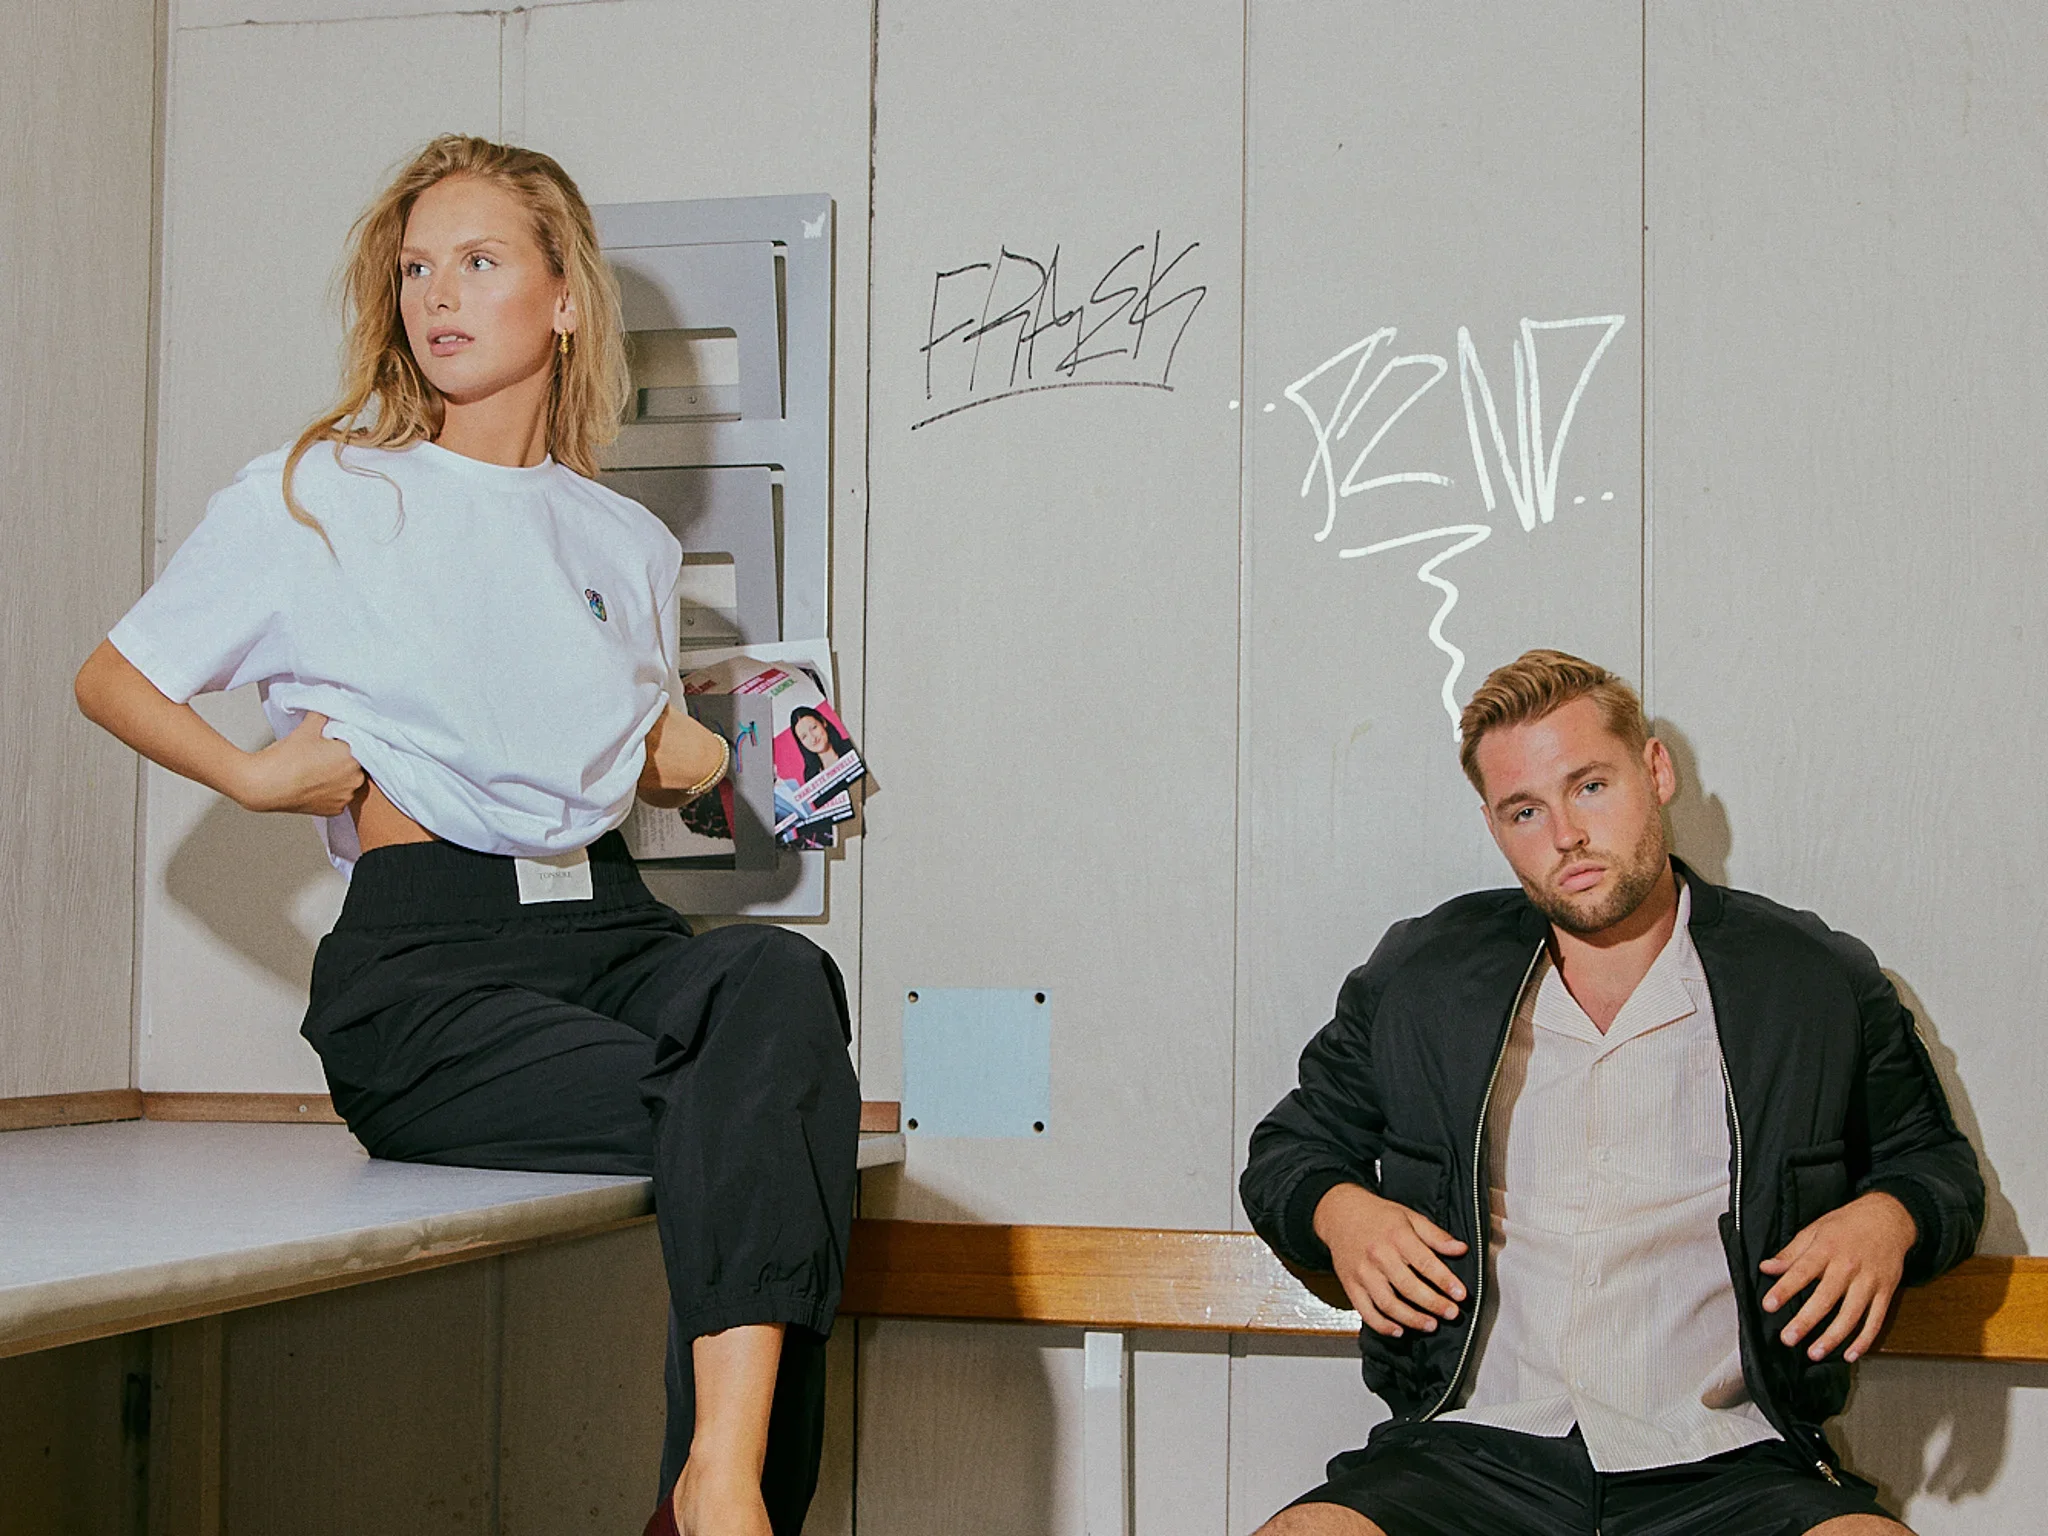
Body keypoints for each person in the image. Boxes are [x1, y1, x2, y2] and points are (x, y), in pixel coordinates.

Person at [73, 134, 858, 1536]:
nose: (438, 294)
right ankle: (727, 1502)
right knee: (759, 1117)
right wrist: (255, 780)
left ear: (564, 300)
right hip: (430, 969)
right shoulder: (320, 494)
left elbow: (592, 744)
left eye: (480, 262)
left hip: (612, 934)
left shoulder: (623, 541)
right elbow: (114, 676)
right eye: (417, 268)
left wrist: (693, 759)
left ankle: (711, 1480)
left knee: (776, 992)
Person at [1239, 650, 1983, 1536]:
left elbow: (1937, 1168)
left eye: (1589, 786)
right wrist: (1339, 1212)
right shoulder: (1422, 975)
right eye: (1526, 810)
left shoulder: (1812, 980)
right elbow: (1288, 1152)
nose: (1565, 835)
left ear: (1655, 770)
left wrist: (1889, 1218)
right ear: (1494, 825)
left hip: (1729, 1459)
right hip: (1466, 1451)